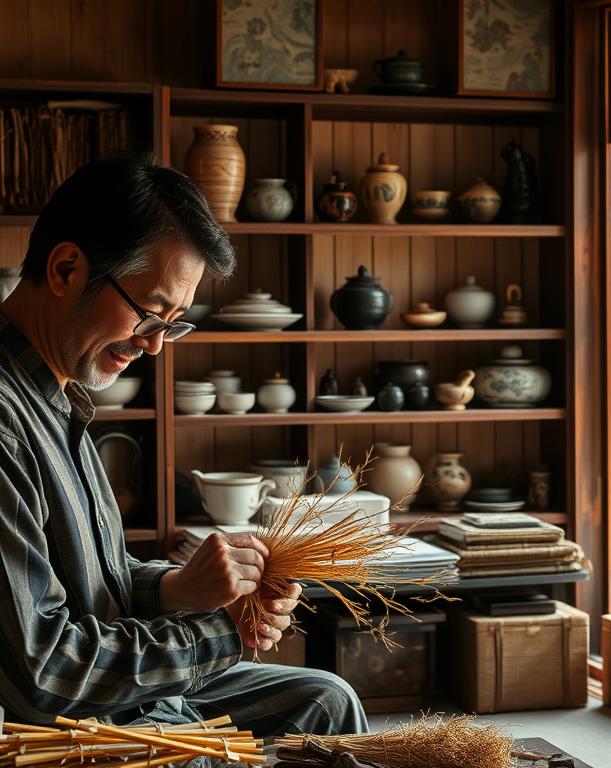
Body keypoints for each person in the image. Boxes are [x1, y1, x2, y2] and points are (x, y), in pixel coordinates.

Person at [0, 154, 368, 737]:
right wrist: (222, 630)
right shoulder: (4, 423)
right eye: (150, 314)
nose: (155, 347)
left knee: (326, 698)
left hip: (120, 699)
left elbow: (97, 584)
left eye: (173, 324)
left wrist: (181, 588)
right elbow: (44, 672)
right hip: (70, 728)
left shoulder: (57, 396)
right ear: (67, 268)